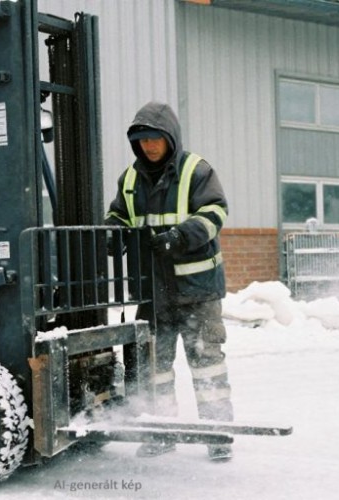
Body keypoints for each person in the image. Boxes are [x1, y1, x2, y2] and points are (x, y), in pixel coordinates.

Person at [105, 101, 234, 462]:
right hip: (153, 294)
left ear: (170, 138)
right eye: (142, 140)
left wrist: (179, 237)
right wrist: (111, 233)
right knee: (153, 369)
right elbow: (118, 215)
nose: (148, 146)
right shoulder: (130, 180)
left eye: (155, 138)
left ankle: (218, 435)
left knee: (208, 365)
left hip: (197, 292)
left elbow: (214, 212)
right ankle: (161, 434)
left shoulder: (197, 171)